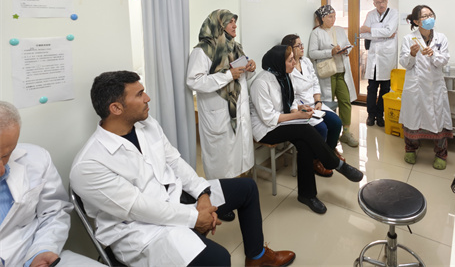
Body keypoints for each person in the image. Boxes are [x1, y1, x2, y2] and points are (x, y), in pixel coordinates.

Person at [70, 71, 295, 267]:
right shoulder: (89, 166)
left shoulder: (146, 125)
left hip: (176, 198)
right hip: (143, 230)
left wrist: (202, 194)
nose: (147, 98)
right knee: (219, 259)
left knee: (247, 188)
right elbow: (140, 208)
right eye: (139, 94)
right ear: (116, 108)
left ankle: (257, 257)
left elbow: (175, 161)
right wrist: (195, 217)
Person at [249, 45, 363, 215]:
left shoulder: (284, 76)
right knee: (304, 129)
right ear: (279, 62)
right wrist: (297, 116)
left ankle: (307, 195)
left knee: (305, 144)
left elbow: (291, 100)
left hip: (281, 122)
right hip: (266, 129)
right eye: (290, 60)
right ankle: (334, 163)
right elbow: (268, 118)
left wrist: (298, 109)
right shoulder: (261, 83)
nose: (294, 63)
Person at [0, 101, 102, 267]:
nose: (2, 169)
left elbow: (54, 212)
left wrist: (42, 250)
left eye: (6, 155)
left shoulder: (37, 159)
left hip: (33, 253)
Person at [186, 9, 256, 180]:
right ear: (218, 25)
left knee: (239, 160)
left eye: (234, 21)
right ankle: (222, 193)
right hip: (218, 114)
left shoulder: (235, 46)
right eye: (230, 22)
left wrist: (249, 69)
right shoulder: (202, 50)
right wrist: (227, 75)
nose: (235, 25)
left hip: (238, 109)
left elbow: (241, 77)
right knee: (222, 165)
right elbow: (194, 81)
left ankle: (239, 186)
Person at [281, 34, 344, 178]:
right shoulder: (287, 69)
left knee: (336, 123)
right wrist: (300, 109)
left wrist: (318, 101)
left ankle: (329, 153)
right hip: (302, 107)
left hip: (314, 103)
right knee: (322, 128)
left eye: (302, 44)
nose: (302, 48)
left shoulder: (306, 62)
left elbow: (315, 82)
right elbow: (290, 96)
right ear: (290, 49)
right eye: (298, 45)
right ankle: (316, 160)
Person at [398, 5, 453, 170]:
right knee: (413, 118)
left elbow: (444, 60)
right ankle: (410, 149)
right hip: (416, 86)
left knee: (439, 118)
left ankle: (441, 154)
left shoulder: (441, 38)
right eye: (425, 16)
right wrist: (412, 54)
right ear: (416, 21)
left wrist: (433, 54)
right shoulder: (409, 39)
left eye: (431, 15)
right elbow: (405, 63)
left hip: (435, 85)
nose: (429, 18)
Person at [307, 5, 358, 148]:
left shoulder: (340, 30)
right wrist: (331, 52)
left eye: (334, 16)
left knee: (345, 101)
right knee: (328, 103)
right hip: (327, 73)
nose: (333, 19)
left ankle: (346, 133)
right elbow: (312, 53)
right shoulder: (316, 33)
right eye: (330, 16)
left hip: (341, 72)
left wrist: (345, 50)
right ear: (322, 18)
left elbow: (348, 45)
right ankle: (330, 134)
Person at [359, 0, 398, 127]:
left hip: (387, 58)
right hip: (374, 57)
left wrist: (370, 29)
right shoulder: (370, 14)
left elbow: (389, 31)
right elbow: (363, 33)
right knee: (371, 88)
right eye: (378, 2)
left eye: (383, 1)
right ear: (374, 3)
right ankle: (371, 115)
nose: (381, 5)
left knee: (385, 88)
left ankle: (380, 115)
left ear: (387, 1)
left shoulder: (394, 13)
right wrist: (384, 33)